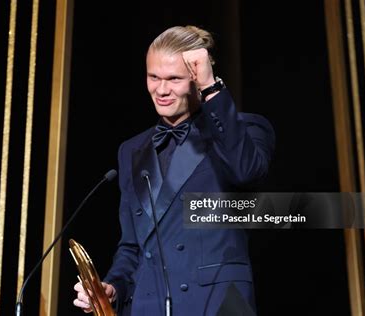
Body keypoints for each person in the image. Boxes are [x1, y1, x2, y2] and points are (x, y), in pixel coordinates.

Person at [73, 25, 275, 315]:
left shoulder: (244, 129)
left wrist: (212, 89)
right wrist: (112, 287)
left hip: (215, 306)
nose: (162, 89)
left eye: (174, 79)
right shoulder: (131, 150)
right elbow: (132, 246)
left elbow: (247, 171)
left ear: (197, 79)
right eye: (153, 77)